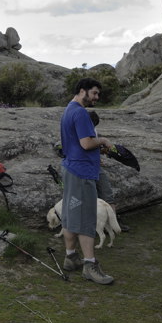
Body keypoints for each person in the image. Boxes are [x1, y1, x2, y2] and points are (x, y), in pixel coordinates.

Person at [59, 78, 114, 285]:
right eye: (94, 93)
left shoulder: (68, 109)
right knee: (86, 219)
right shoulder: (81, 113)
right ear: (82, 91)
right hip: (82, 172)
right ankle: (90, 266)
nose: (96, 98)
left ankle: (71, 256)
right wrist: (103, 141)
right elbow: (86, 143)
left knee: (71, 215)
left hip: (71, 167)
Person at [89, 110, 130, 233]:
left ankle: (114, 223)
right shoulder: (79, 131)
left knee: (108, 195)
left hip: (96, 167)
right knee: (92, 198)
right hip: (85, 169)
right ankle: (94, 227)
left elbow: (92, 146)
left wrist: (101, 152)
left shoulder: (93, 131)